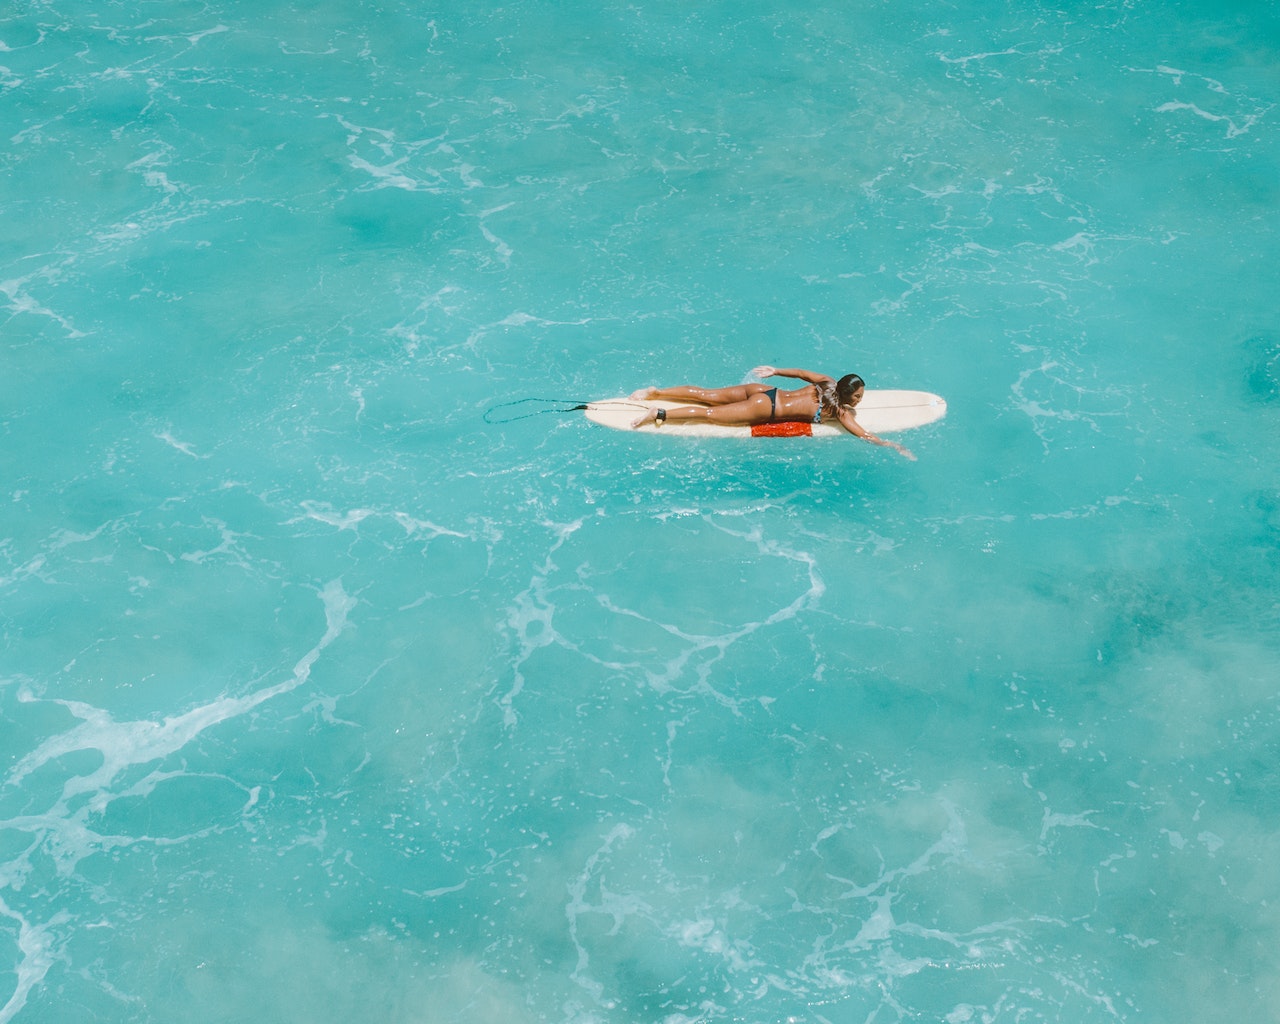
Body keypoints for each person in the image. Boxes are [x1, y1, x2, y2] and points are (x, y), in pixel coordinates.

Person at [628, 365, 916, 459]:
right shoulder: (840, 412)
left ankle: (654, 391)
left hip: (764, 391)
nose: (860, 400)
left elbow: (803, 373)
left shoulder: (827, 382)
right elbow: (862, 434)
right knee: (708, 415)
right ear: (845, 395)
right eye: (858, 396)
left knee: (707, 395)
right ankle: (659, 412)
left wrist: (774, 370)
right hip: (766, 408)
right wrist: (891, 444)